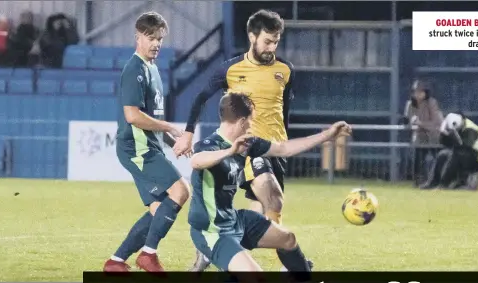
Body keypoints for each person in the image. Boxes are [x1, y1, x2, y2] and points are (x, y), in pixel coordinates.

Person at [172, 9, 299, 271]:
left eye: (276, 41)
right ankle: (285, 261)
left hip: (275, 148)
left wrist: (284, 143)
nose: (272, 47)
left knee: (263, 208)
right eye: (267, 41)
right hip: (249, 148)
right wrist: (187, 134)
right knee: (272, 198)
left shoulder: (285, 70)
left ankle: (217, 249)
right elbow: (200, 98)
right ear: (252, 36)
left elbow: (284, 108)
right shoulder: (230, 68)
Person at [188, 93, 351, 277]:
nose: (251, 125)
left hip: (234, 220)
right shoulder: (209, 145)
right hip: (211, 230)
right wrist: (230, 151)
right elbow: (196, 161)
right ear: (242, 121)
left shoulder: (248, 143)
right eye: (251, 121)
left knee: (288, 239)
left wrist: (328, 135)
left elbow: (284, 149)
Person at [103, 12, 191, 273]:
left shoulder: (152, 69)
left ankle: (116, 262)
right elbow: (132, 116)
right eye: (151, 38)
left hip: (147, 146)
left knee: (158, 209)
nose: (156, 44)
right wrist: (170, 129)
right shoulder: (134, 69)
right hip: (137, 148)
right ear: (138, 37)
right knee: (181, 191)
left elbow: (152, 116)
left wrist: (171, 139)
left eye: (160, 39)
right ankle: (148, 255)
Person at [420, 112, 478, 190]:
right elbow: (445, 143)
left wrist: (454, 135)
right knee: (442, 154)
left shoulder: (471, 129)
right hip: (469, 154)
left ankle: (444, 184)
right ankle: (433, 182)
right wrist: (444, 134)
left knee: (457, 154)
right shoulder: (459, 126)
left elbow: (465, 146)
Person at [402, 79, 444, 186]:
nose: (417, 94)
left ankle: (439, 180)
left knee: (439, 159)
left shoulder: (431, 103)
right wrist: (412, 125)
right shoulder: (410, 104)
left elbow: (436, 123)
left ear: (425, 93)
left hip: (434, 136)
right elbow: (407, 122)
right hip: (420, 137)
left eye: (420, 92)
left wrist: (420, 123)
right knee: (418, 159)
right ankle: (418, 181)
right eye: (415, 92)